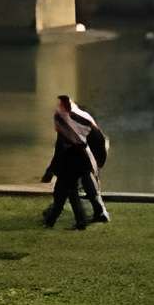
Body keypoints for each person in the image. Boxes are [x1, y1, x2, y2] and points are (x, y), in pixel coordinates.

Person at [41, 93, 111, 230]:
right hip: (81, 159)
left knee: (66, 190)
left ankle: (58, 219)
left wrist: (51, 171)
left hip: (78, 159)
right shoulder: (75, 123)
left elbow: (61, 149)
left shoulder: (71, 123)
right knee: (76, 187)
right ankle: (90, 215)